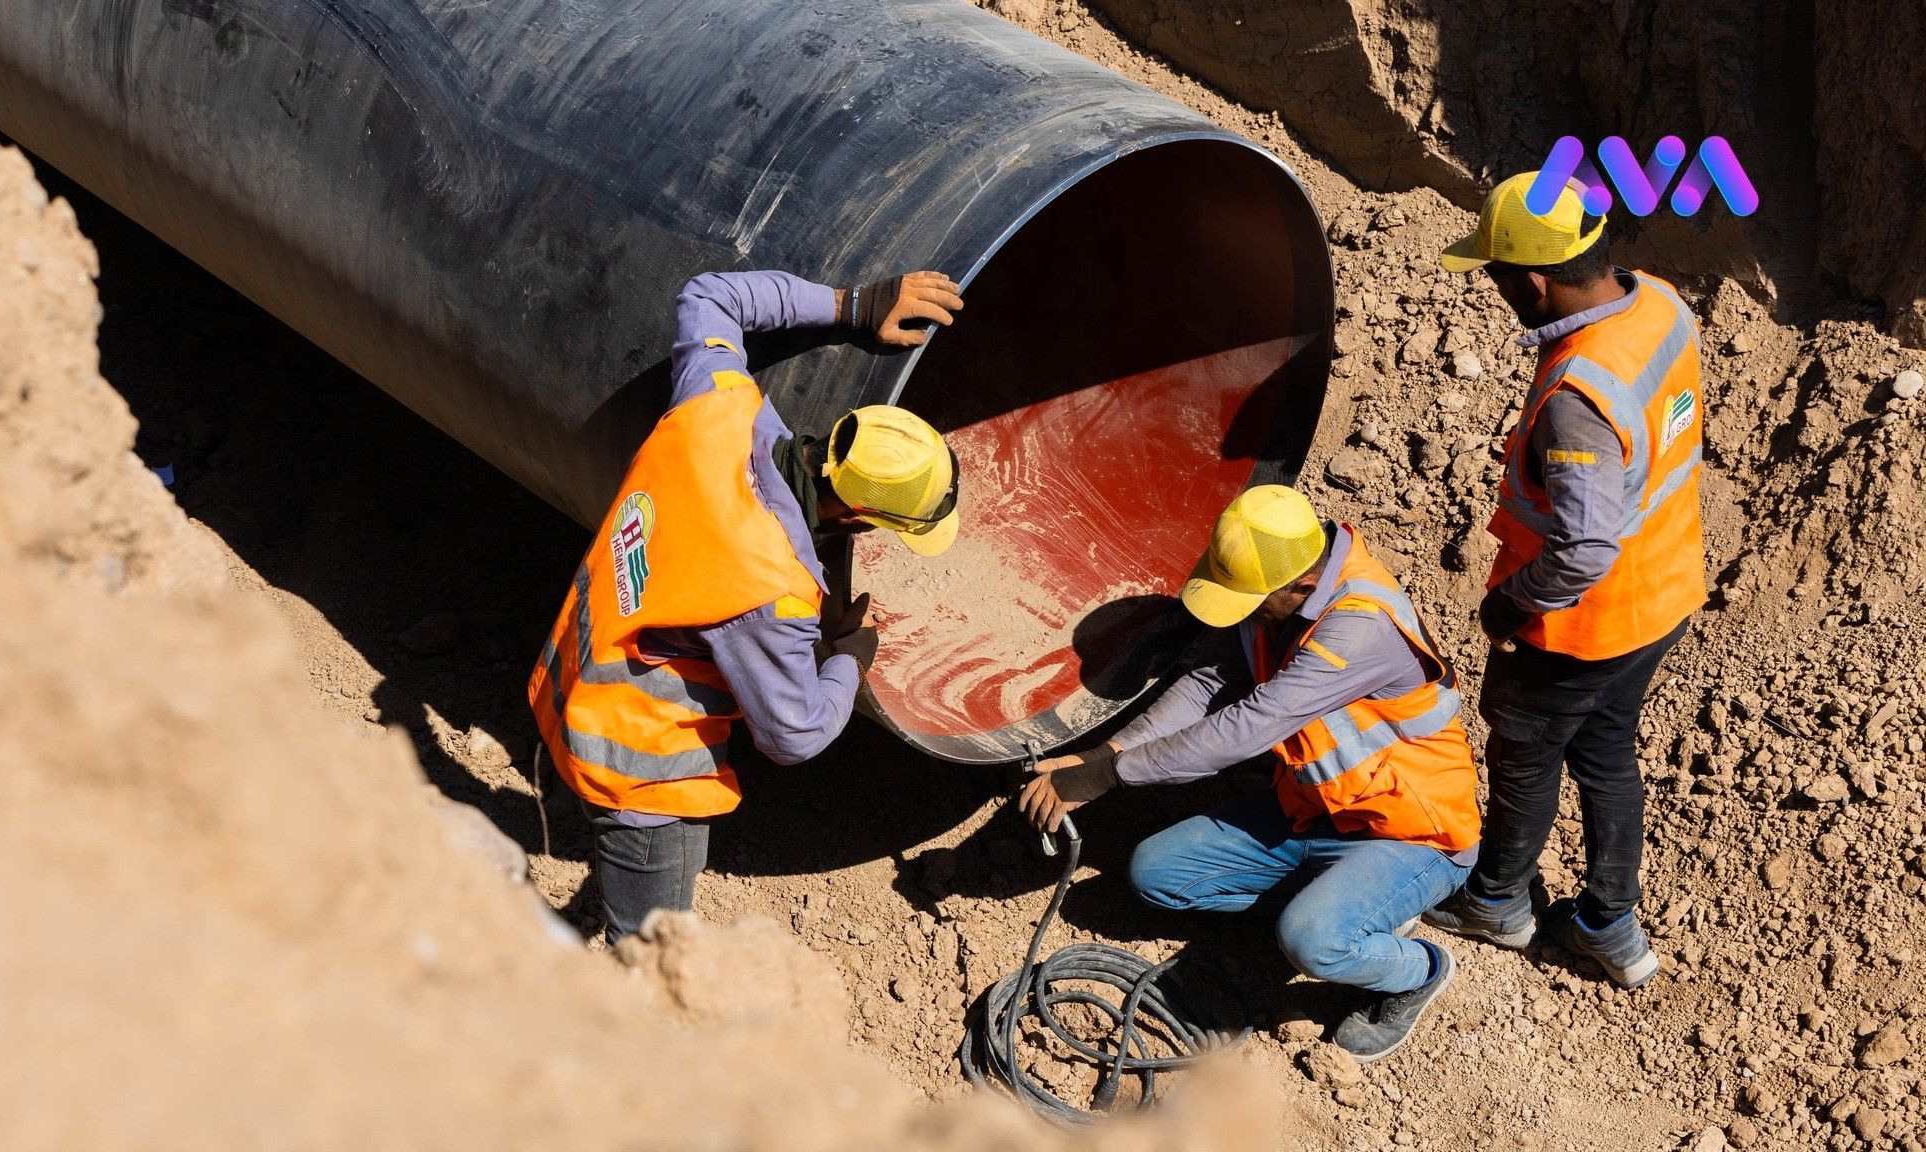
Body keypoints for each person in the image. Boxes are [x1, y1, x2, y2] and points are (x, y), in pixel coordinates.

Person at [527, 268, 965, 944]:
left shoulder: (719, 404)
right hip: (643, 772)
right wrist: (849, 656)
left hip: (575, 673)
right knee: (649, 952)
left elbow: (708, 295)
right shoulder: (769, 587)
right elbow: (794, 734)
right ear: (855, 512)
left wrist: (853, 305)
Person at [1019, 485, 1481, 1062]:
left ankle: (1417, 970)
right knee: (1156, 874)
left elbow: (1246, 727)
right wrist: (1103, 754)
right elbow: (1209, 683)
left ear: (1303, 585)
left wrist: (1109, 777)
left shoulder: (1359, 628)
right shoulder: (1275, 585)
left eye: (1253, 601)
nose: (1243, 612)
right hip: (1310, 812)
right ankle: (1329, 911)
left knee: (1313, 940)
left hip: (1411, 836)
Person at [1420, 173, 1706, 988]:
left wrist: (1507, 605)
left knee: (1526, 752)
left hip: (1583, 627)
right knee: (1608, 752)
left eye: (1498, 275)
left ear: (1534, 281)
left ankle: (1499, 901)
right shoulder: (1658, 305)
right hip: (1666, 592)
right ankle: (1610, 924)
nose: (1497, 289)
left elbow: (1582, 549)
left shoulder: (1578, 397)